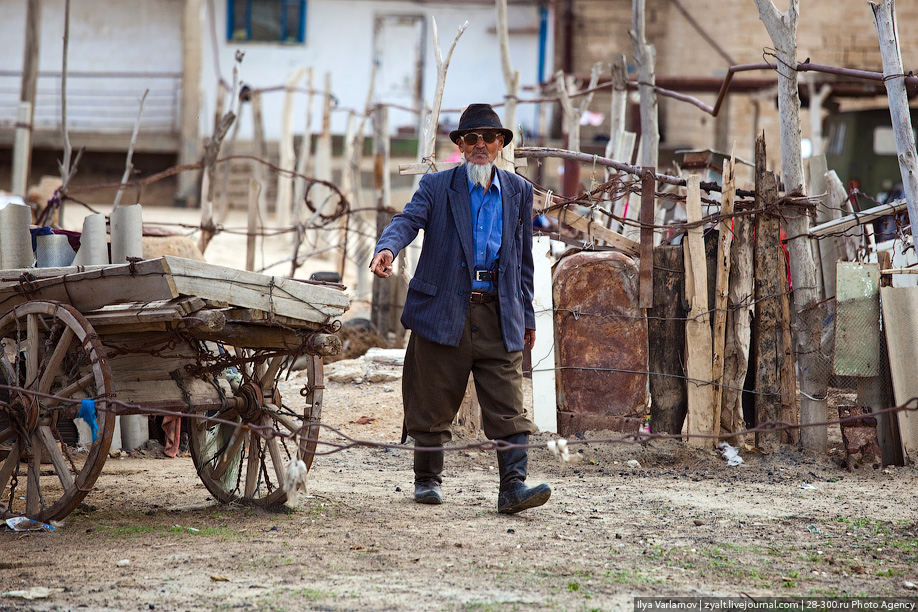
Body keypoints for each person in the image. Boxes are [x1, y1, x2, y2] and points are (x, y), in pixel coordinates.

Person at [369, 103, 551, 514]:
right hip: (443, 308)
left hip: (498, 311)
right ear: (461, 146)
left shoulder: (519, 192)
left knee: (508, 404)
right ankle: (427, 480)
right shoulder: (437, 187)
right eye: (472, 139)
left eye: (489, 137)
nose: (481, 145)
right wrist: (387, 247)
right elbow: (407, 220)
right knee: (431, 400)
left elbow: (523, 260)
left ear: (502, 143)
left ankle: (512, 487)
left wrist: (526, 314)